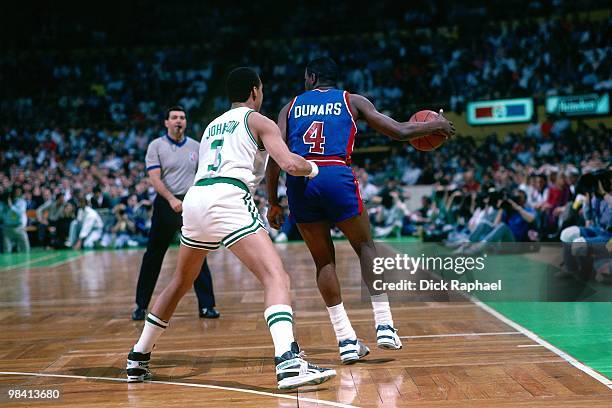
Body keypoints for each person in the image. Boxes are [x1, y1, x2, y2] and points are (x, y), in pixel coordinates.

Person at [126, 67, 336, 389]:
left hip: (196, 199)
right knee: (276, 277)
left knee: (181, 281)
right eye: (261, 89)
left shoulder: (212, 125)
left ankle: (138, 357)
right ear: (255, 91)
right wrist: (315, 169)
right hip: (228, 197)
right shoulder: (258, 120)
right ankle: (289, 362)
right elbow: (290, 163)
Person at [266, 57, 455, 364]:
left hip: (300, 180)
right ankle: (384, 324)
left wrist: (273, 200)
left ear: (312, 78)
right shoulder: (351, 100)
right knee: (365, 246)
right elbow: (399, 131)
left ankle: (345, 340)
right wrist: (436, 125)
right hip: (335, 174)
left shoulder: (289, 107)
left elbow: (275, 158)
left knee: (324, 262)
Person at [132, 106, 218, 321]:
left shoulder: (196, 147)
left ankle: (207, 306)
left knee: (198, 253)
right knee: (153, 255)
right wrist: (171, 199)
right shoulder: (156, 146)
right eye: (174, 117)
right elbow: (154, 179)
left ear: (186, 122)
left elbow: (205, 174)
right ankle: (141, 306)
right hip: (165, 203)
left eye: (182, 117)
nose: (178, 120)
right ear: (166, 122)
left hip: (189, 203)